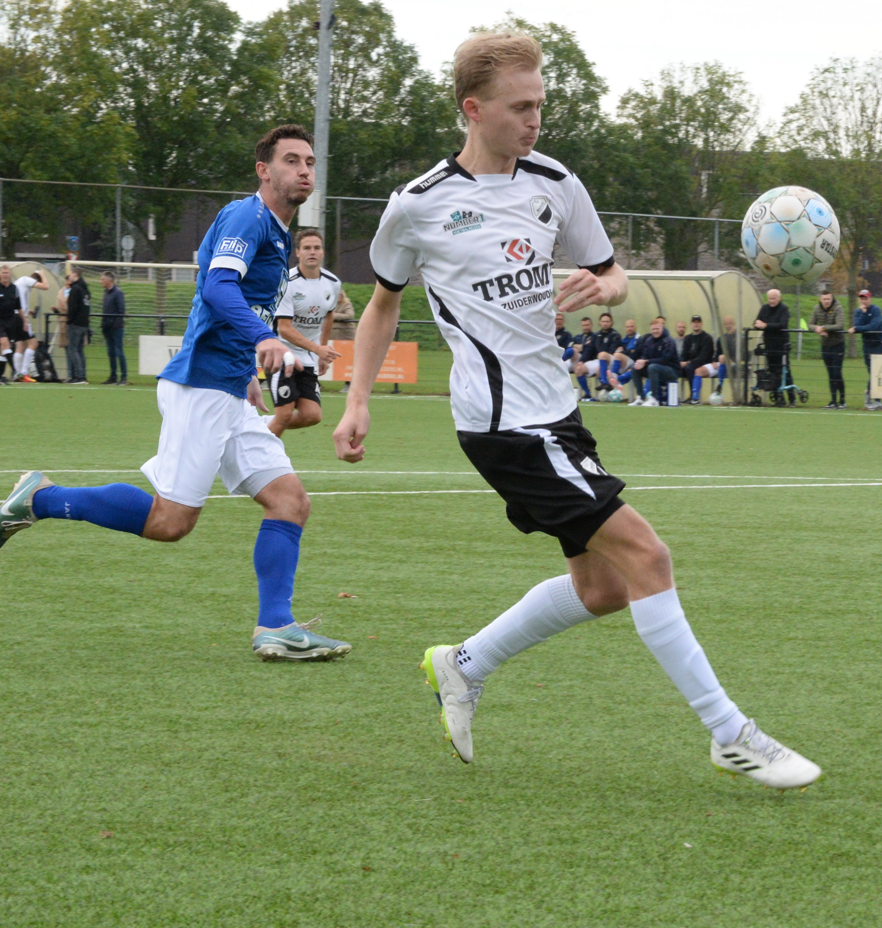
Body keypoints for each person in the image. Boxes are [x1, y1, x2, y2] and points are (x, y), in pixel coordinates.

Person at [333, 32, 819, 786]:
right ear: (473, 109)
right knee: (647, 556)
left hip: (557, 412)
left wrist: (608, 288)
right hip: (501, 426)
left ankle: (463, 665)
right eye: (519, 108)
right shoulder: (419, 206)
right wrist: (357, 400)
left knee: (602, 588)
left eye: (539, 106)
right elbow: (382, 305)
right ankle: (730, 732)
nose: (534, 121)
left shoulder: (555, 183)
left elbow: (612, 274)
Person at [0, 124, 349, 663]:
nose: (304, 170)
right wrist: (263, 339)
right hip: (201, 388)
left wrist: (247, 367)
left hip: (227, 387)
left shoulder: (271, 230)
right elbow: (217, 287)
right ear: (263, 170)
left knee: (289, 502)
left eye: (310, 162)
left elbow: (226, 290)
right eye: (292, 160)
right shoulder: (249, 217)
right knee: (170, 522)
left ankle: (275, 626)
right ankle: (39, 498)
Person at [269, 228, 344, 438]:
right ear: (298, 253)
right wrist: (318, 349)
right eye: (307, 248)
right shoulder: (287, 282)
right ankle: (258, 458)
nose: (312, 252)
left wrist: (323, 348)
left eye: (317, 248)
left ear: (323, 253)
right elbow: (284, 328)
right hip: (281, 352)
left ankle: (258, 427)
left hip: (309, 355)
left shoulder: (333, 283)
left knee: (312, 415)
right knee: (284, 414)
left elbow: (329, 315)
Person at [0, 266, 44, 382]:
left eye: (7, 273)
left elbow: (18, 306)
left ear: (10, 275)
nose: (5, 275)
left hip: (10, 321)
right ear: (0, 275)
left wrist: (25, 319)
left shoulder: (14, 289)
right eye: (3, 273)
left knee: (4, 348)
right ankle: (17, 372)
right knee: (5, 344)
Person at [628, 315, 679, 406]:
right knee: (634, 367)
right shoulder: (649, 341)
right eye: (653, 329)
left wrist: (646, 362)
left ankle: (654, 399)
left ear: (662, 328)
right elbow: (645, 355)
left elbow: (665, 359)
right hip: (655, 369)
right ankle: (641, 397)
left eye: (657, 329)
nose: (655, 331)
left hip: (672, 371)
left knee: (652, 367)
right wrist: (641, 361)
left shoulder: (669, 341)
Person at [850, 289, 882, 410]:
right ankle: (872, 397)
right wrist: (863, 314)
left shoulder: (876, 310)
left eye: (866, 298)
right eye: (862, 298)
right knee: (872, 372)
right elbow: (857, 324)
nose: (864, 301)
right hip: (867, 346)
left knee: (878, 373)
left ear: (870, 299)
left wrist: (857, 328)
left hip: (879, 344)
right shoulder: (858, 312)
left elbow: (873, 326)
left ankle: (876, 399)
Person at [754, 288, 791, 406]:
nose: (771, 301)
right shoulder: (764, 309)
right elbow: (757, 322)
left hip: (781, 346)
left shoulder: (784, 309)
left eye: (774, 298)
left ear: (779, 298)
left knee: (785, 372)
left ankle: (792, 398)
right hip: (769, 346)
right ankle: (777, 397)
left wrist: (765, 325)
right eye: (770, 298)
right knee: (772, 372)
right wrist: (758, 324)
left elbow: (782, 324)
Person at [811, 290, 848, 407]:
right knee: (830, 374)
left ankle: (842, 400)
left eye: (828, 299)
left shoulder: (838, 308)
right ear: (820, 299)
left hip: (838, 344)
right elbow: (810, 324)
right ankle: (833, 401)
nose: (826, 301)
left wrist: (824, 328)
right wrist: (816, 329)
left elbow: (840, 325)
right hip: (825, 345)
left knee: (837, 372)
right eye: (824, 299)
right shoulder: (817, 309)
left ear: (832, 299)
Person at [678, 314, 718, 404]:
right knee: (675, 369)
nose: (696, 324)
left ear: (701, 324)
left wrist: (687, 362)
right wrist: (681, 362)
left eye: (698, 322)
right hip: (690, 364)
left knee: (689, 368)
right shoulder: (688, 338)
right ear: (691, 324)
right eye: (694, 322)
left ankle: (694, 396)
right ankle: (669, 396)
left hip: (703, 364)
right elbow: (684, 354)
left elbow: (703, 357)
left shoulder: (707, 338)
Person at [64, 268, 92, 384]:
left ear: (75, 274)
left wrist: (69, 321)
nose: (69, 276)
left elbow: (73, 307)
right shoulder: (86, 290)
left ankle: (78, 376)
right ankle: (83, 375)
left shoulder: (75, 289)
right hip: (84, 324)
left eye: (70, 274)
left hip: (75, 324)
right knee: (80, 350)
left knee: (73, 349)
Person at [100, 270, 127, 384]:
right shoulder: (106, 293)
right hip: (107, 327)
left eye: (102, 279)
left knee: (118, 351)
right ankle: (113, 376)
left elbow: (121, 311)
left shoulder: (118, 293)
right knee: (110, 352)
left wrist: (114, 324)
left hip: (116, 328)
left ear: (109, 280)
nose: (101, 281)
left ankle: (123, 377)